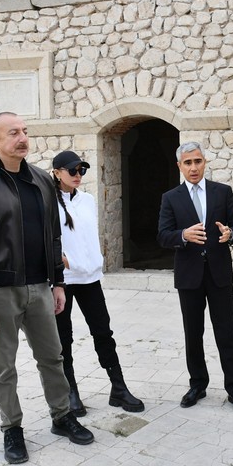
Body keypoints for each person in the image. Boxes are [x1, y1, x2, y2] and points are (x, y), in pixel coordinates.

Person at [0, 112, 94, 465]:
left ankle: (62, 417)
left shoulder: (42, 181)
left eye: (25, 131)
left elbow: (53, 234)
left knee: (53, 358)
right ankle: (11, 428)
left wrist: (57, 282)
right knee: (3, 368)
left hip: (40, 288)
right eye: (13, 132)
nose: (22, 138)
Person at [157, 141, 233, 415]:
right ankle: (198, 384)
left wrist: (231, 234)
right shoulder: (170, 198)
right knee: (193, 334)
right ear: (180, 166)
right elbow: (162, 235)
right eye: (188, 163)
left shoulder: (222, 192)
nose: (193, 167)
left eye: (197, 161)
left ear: (204, 162)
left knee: (226, 333)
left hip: (219, 274)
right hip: (189, 277)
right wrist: (183, 235)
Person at [51, 150, 145, 416]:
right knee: (63, 339)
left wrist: (93, 260)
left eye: (81, 170)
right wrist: (62, 260)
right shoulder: (47, 201)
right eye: (72, 171)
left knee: (103, 332)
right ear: (57, 172)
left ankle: (118, 387)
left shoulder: (88, 200)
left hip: (90, 277)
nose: (78, 175)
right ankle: (71, 392)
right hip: (63, 280)